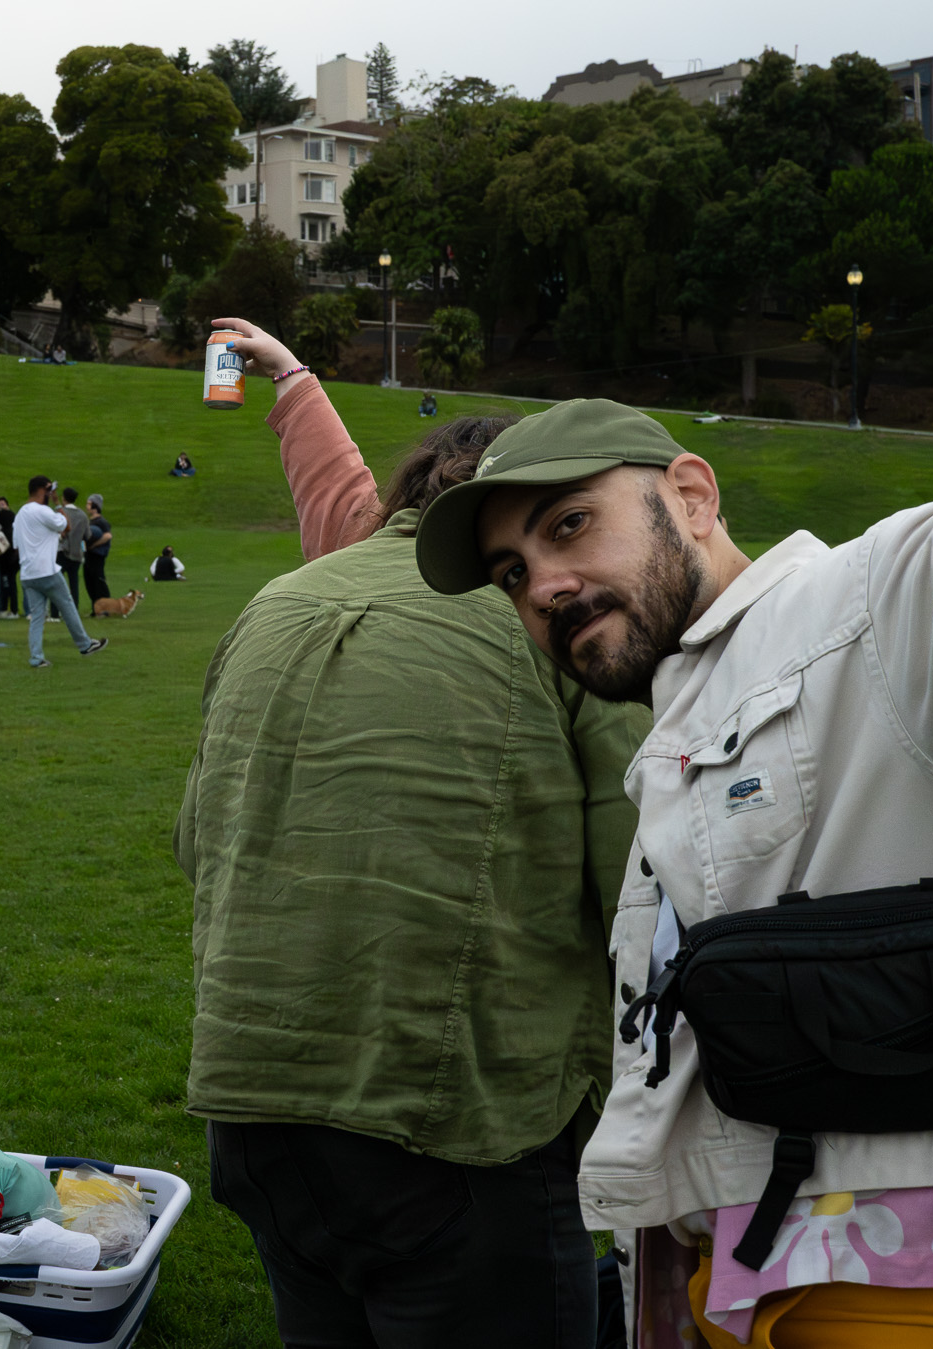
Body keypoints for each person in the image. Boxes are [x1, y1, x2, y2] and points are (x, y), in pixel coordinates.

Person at [413, 397, 933, 1347]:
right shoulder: (682, 720)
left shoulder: (876, 601)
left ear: (693, 495)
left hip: (909, 1291)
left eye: (570, 524)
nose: (544, 586)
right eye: (514, 573)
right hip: (737, 1284)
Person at [178, 316, 649, 1348]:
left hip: (252, 1112)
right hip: (455, 1128)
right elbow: (646, 884)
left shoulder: (275, 601)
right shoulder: (553, 624)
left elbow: (196, 843)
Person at [13, 476, 105, 667]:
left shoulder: (21, 513)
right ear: (41, 490)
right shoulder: (43, 510)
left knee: (37, 617)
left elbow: (16, 545)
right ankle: (84, 644)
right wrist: (57, 504)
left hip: (28, 573)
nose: (52, 494)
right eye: (49, 490)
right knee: (68, 605)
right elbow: (67, 525)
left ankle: (36, 658)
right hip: (46, 570)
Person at [57, 486, 90, 612]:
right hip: (76, 553)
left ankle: (55, 613)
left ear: (64, 498)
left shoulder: (61, 512)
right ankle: (73, 610)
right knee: (74, 583)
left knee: (57, 583)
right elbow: (88, 535)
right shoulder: (82, 515)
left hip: (61, 551)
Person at [0, 498, 19, 619]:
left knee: (6, 585)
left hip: (6, 561)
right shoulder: (14, 528)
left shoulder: (2, 531)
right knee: (10, 584)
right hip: (13, 560)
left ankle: (7, 609)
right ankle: (13, 609)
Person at [84, 495, 113, 604]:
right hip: (88, 556)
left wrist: (93, 545)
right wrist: (84, 550)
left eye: (89, 503)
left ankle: (106, 607)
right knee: (89, 581)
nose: (86, 506)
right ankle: (95, 607)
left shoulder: (101, 522)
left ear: (95, 506)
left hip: (97, 556)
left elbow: (107, 536)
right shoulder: (89, 522)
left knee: (98, 580)